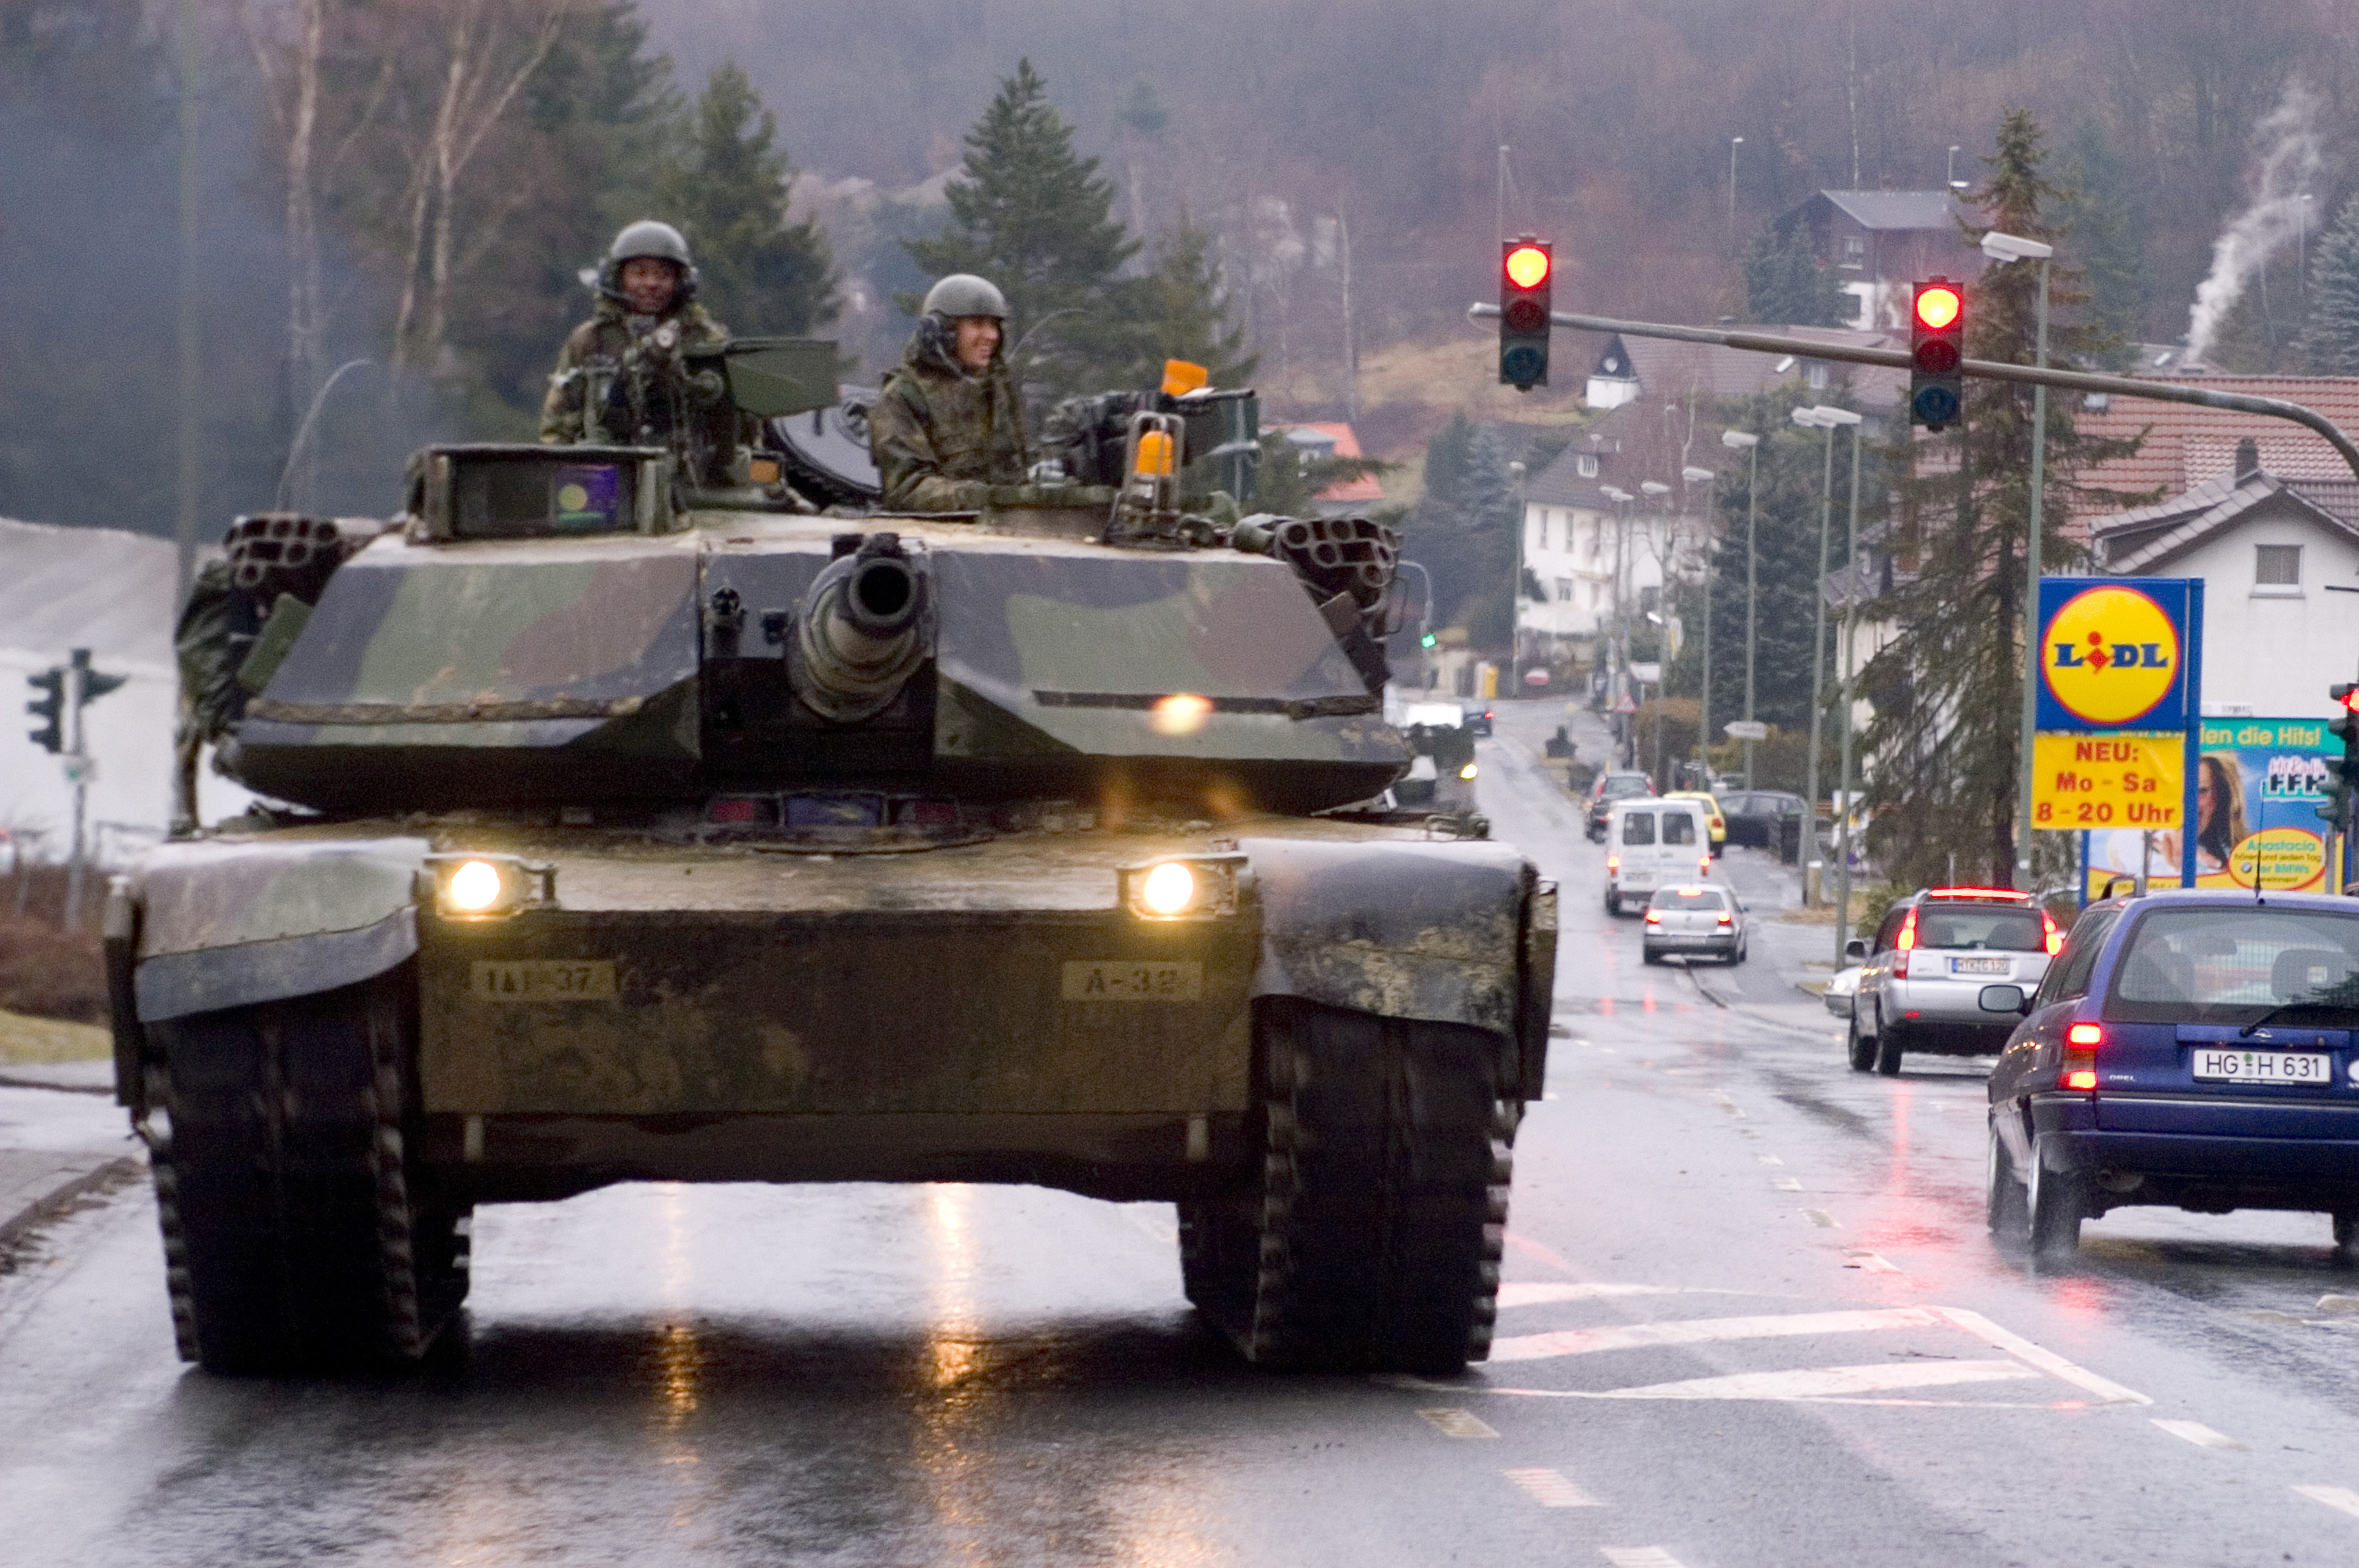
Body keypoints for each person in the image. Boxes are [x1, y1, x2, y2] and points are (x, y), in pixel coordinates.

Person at [540, 220, 736, 466]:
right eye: (640, 273)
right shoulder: (590, 339)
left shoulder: (706, 339)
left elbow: (738, 423)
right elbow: (558, 424)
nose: (652, 284)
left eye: (664, 274)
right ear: (618, 278)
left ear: (680, 281)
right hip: (605, 471)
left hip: (690, 472)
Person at [867, 274, 1030, 511]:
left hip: (1008, 528)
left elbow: (1020, 469)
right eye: (977, 324)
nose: (991, 335)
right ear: (942, 331)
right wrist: (981, 497)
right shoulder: (903, 396)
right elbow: (907, 488)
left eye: (994, 324)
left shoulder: (997, 390)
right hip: (938, 536)